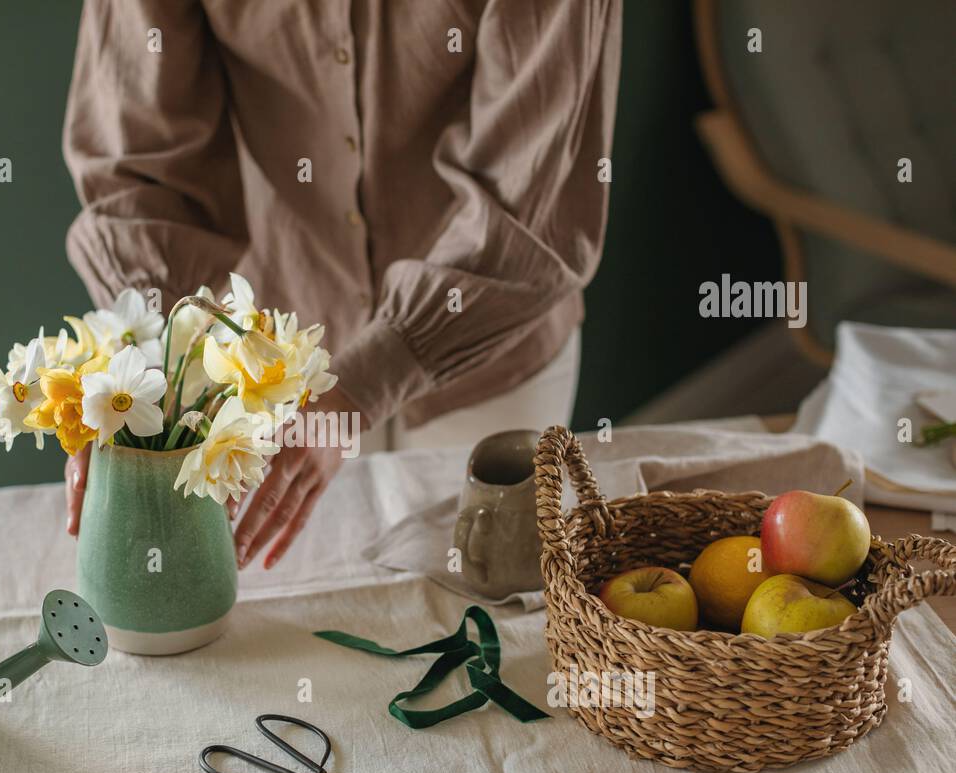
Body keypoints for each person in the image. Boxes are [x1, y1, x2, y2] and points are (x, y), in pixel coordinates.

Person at [62, 0, 621, 569]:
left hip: (491, 346)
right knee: (313, 610)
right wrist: (149, 366)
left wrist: (362, 385)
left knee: (496, 608)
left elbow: (528, 194)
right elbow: (136, 162)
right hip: (279, 359)